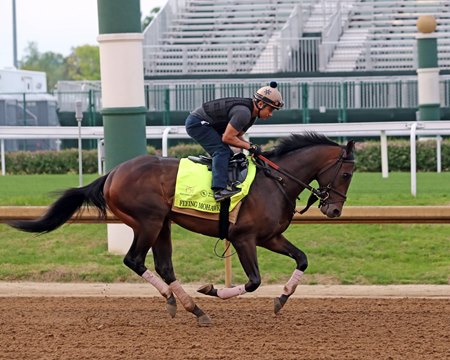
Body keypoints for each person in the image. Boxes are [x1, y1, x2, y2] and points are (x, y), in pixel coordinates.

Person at [185, 81, 284, 202]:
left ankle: (226, 182)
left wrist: (251, 146)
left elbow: (236, 136)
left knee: (228, 154)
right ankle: (219, 190)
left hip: (210, 123)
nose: (271, 114)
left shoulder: (251, 116)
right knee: (221, 152)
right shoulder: (244, 113)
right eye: (270, 109)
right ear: (260, 104)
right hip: (197, 122)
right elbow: (227, 138)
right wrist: (249, 147)